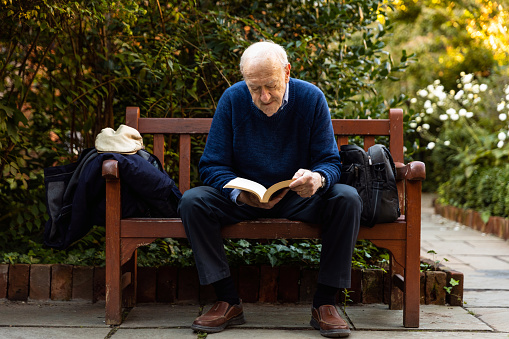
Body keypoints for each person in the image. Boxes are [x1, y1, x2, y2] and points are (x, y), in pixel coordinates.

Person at [178, 40, 361, 338]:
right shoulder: (232, 100)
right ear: (245, 81)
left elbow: (330, 161)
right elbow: (211, 165)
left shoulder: (311, 98)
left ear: (287, 72)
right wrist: (238, 192)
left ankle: (325, 303)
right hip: (245, 198)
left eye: (272, 86)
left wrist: (316, 179)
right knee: (192, 201)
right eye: (254, 88)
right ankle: (227, 300)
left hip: (296, 197)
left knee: (347, 198)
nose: (264, 96)